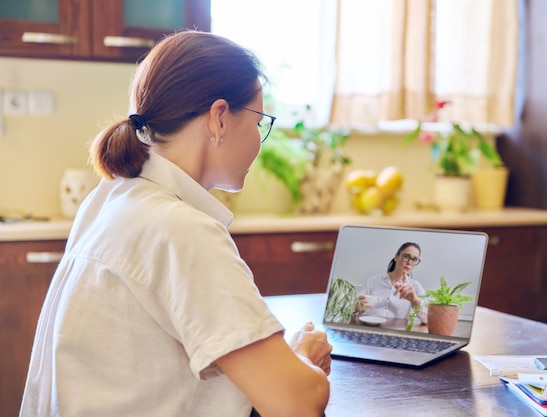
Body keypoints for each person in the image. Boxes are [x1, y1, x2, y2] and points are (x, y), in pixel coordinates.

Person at [20, 30, 331, 417]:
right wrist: (303, 355)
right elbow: (297, 404)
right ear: (219, 117)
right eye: (259, 120)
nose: (258, 138)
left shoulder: (110, 199)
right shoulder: (181, 229)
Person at [356, 242, 428, 324]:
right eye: (406, 257)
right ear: (396, 257)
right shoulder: (372, 281)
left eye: (414, 259)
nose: (409, 262)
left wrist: (415, 301)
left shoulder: (415, 286)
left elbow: (427, 320)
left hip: (396, 332)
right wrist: (355, 308)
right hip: (369, 328)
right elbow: (353, 308)